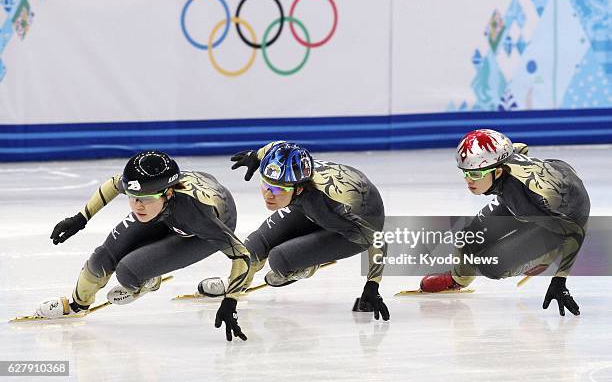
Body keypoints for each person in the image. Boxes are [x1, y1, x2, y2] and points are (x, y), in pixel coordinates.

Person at [36, 150, 250, 341]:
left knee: (128, 272)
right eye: (132, 197)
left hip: (205, 225)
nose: (137, 205)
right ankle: (76, 304)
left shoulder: (198, 214)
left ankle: (148, 279)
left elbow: (241, 255)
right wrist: (80, 218)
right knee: (102, 258)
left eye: (145, 198)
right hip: (166, 211)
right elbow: (112, 183)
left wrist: (231, 301)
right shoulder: (146, 190)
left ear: (168, 193)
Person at [198, 141, 390, 321]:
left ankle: (303, 266)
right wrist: (255, 156)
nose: (269, 195)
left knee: (280, 259)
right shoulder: (291, 177)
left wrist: (372, 284)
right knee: (255, 244)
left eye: (278, 190)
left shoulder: (330, 206)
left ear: (298, 189)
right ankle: (235, 281)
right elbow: (277, 147)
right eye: (266, 184)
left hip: (359, 221)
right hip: (312, 205)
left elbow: (378, 239)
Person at [419, 129, 590, 316]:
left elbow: (575, 232)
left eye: (476, 175)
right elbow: (521, 148)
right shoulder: (505, 161)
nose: (468, 180)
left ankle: (547, 255)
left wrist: (560, 281)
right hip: (537, 191)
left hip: (566, 215)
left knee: (491, 267)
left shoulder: (529, 200)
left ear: (498, 171)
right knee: (470, 236)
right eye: (465, 173)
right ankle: (458, 279)